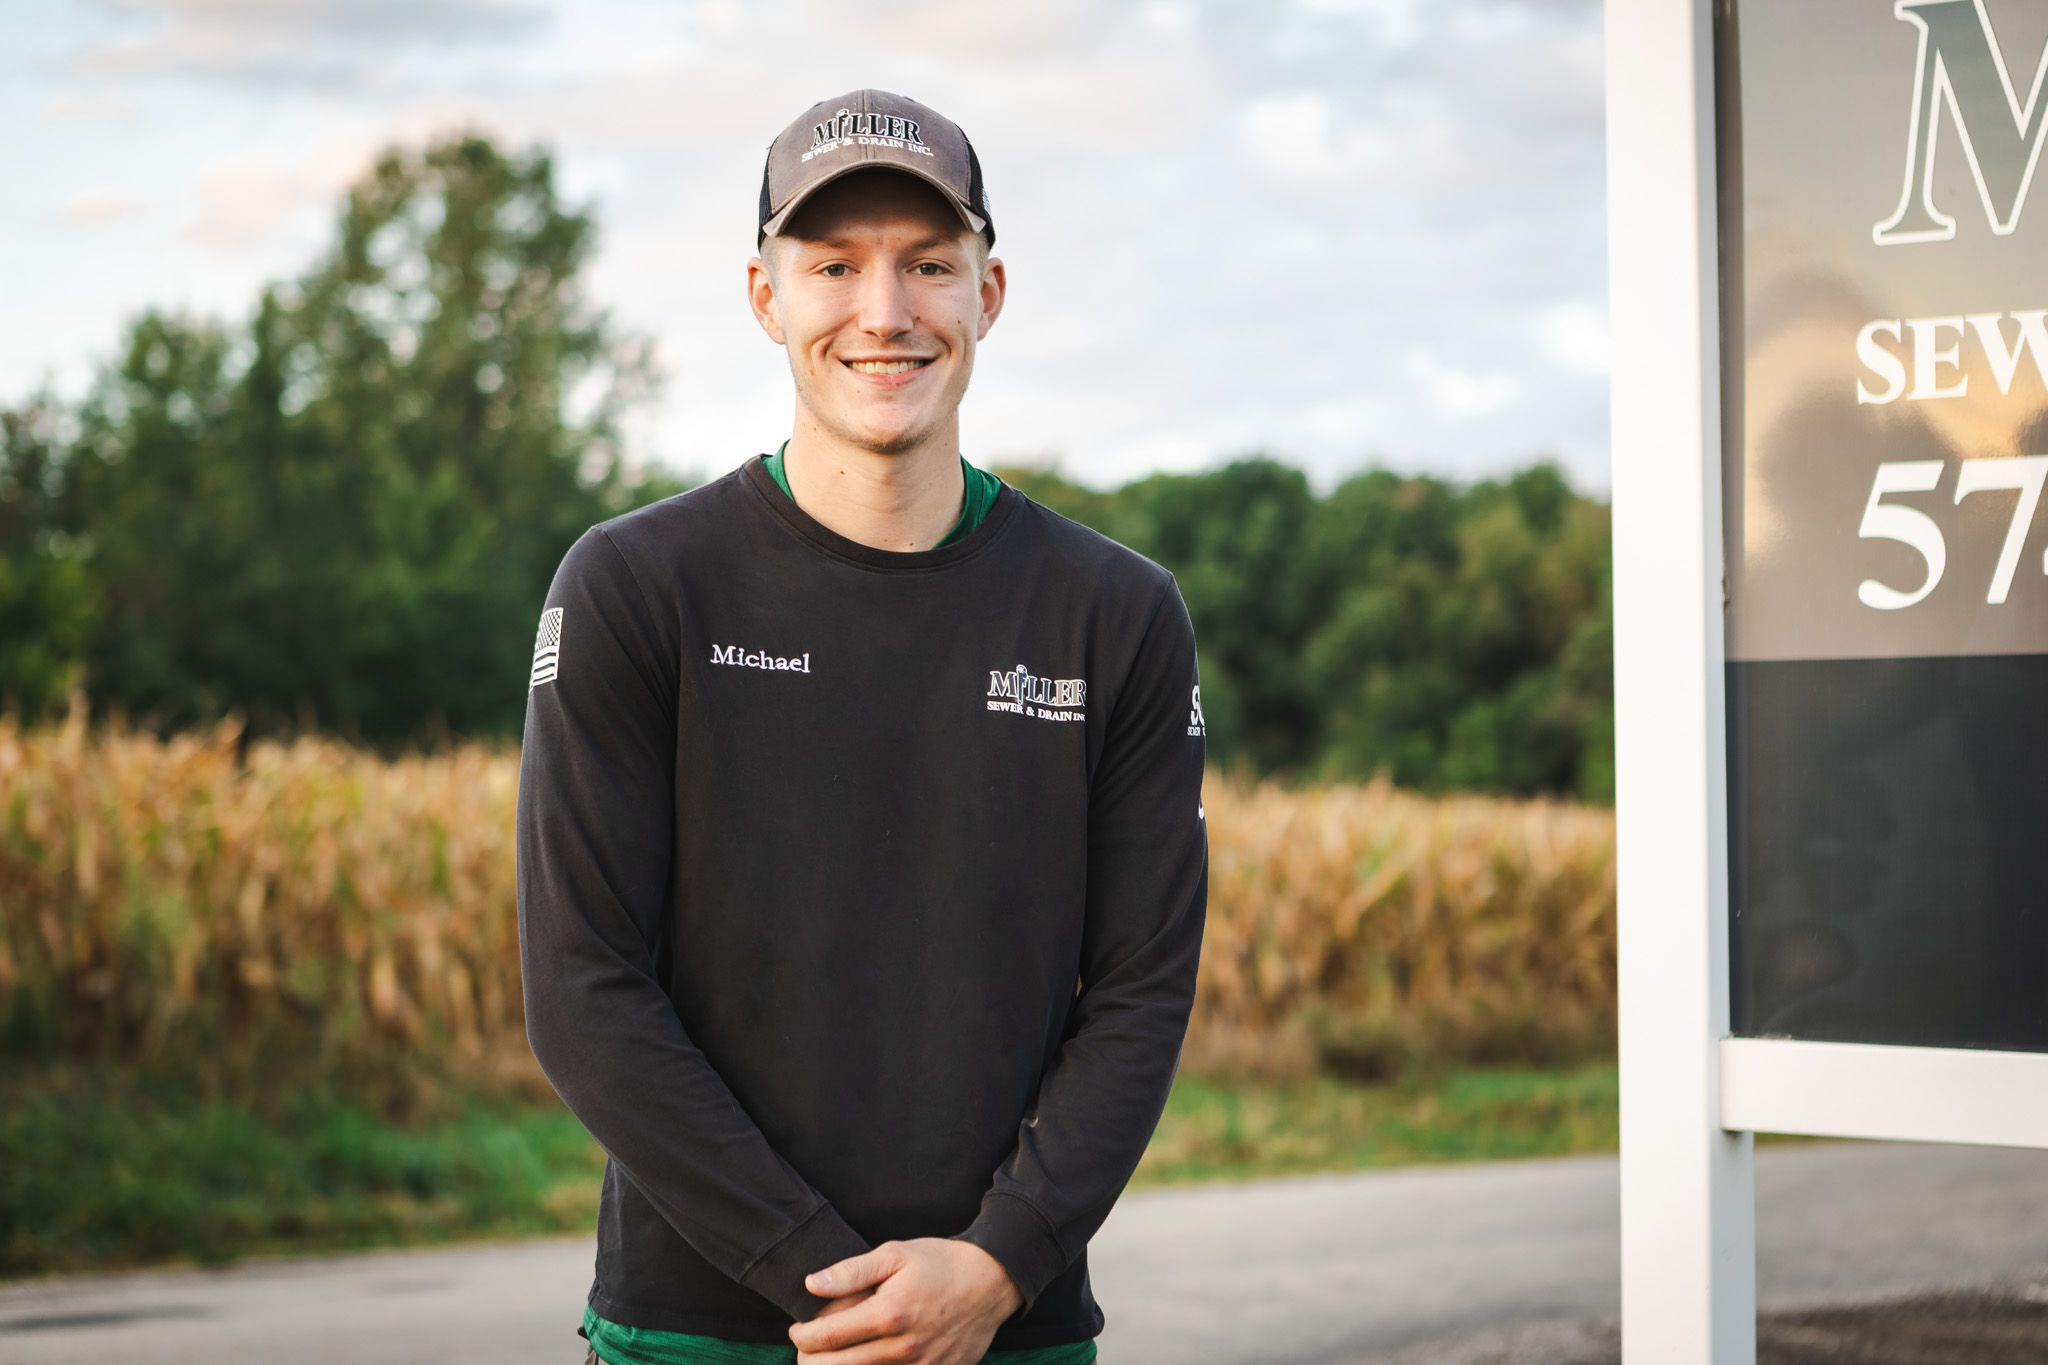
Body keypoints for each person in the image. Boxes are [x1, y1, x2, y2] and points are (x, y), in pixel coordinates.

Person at [517, 89, 1209, 1365]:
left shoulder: (1112, 613)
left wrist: (996, 1265)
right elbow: (581, 988)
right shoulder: (637, 587)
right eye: (833, 266)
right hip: (704, 1333)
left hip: (1005, 1327)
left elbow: (1139, 987)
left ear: (987, 294)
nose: (883, 313)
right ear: (764, 297)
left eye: (927, 265)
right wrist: (832, 1285)